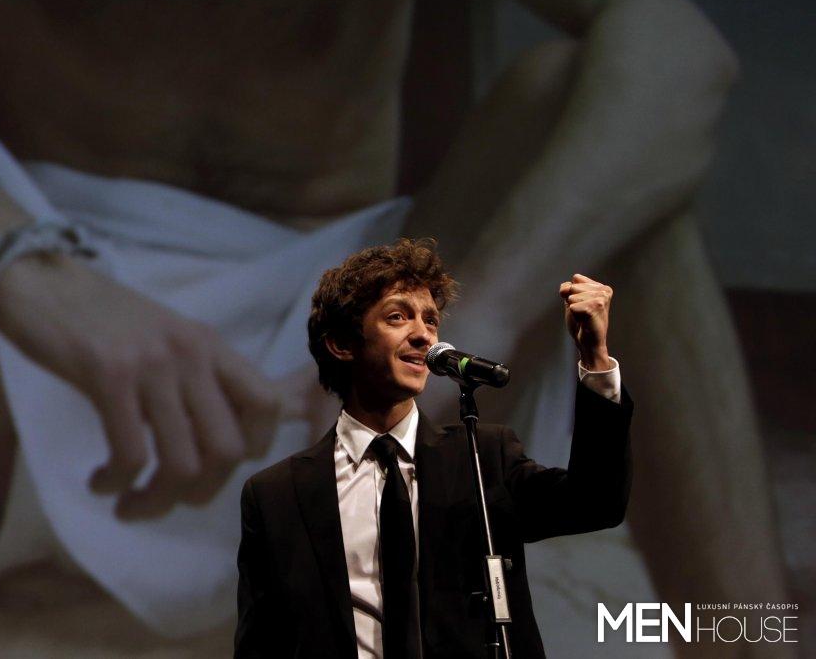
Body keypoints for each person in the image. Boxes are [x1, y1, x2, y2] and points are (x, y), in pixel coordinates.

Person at [0, 0, 789, 654]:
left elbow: (678, 50)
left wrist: (469, 322)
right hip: (0, 316)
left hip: (341, 324)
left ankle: (748, 645)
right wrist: (26, 270)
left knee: (596, 116)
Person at [234, 239, 632, 659]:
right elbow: (259, 645)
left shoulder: (482, 457)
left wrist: (595, 357)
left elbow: (596, 502)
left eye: (430, 320)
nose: (423, 335)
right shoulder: (276, 495)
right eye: (397, 316)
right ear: (342, 344)